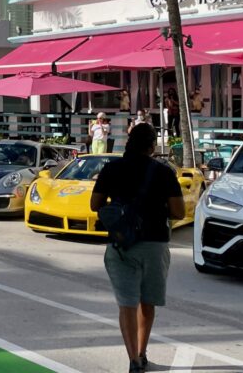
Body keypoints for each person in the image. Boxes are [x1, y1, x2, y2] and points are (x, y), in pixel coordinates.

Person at [90, 124, 184, 373]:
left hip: (121, 244)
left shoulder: (111, 168)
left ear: (128, 142)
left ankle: (133, 360)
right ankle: (142, 353)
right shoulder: (164, 172)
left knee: (126, 305)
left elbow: (94, 204)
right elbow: (179, 211)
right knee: (147, 303)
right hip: (154, 244)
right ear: (152, 145)